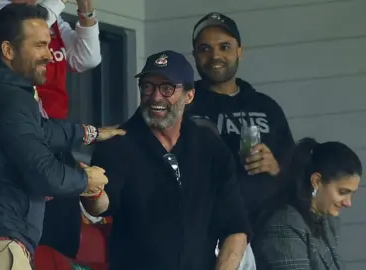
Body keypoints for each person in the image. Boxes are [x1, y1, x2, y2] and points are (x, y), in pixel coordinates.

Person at [0, 4, 123, 270]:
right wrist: (86, 180)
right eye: (39, 46)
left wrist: (90, 133)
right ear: (8, 50)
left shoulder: (4, 92)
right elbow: (44, 173)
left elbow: (44, 131)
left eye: (49, 45)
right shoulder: (9, 99)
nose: (49, 55)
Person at [82, 50, 251, 270]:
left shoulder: (209, 145)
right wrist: (92, 191)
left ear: (189, 95)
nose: (156, 96)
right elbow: (102, 206)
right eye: (147, 86)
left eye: (167, 88)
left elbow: (236, 226)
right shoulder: (118, 143)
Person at [189, 12, 295, 231]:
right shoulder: (183, 106)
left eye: (224, 47)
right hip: (207, 230)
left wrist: (276, 167)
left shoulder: (266, 106)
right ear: (194, 55)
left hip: (270, 231)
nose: (215, 56)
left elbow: (296, 168)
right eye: (204, 49)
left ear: (240, 51)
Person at [252, 138, 361, 269]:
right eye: (342, 192)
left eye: (351, 193)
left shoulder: (325, 221)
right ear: (316, 181)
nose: (348, 203)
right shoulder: (284, 224)